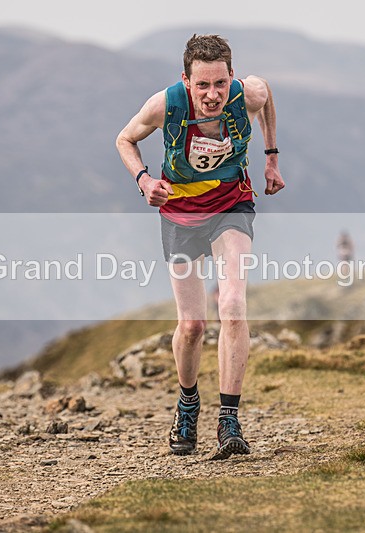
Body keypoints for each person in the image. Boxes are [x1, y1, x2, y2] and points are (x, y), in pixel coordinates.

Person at [116, 34, 285, 459]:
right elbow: (124, 140)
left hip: (232, 205)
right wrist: (144, 180)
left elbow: (265, 99)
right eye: (203, 85)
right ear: (187, 81)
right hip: (180, 215)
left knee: (231, 305)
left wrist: (271, 157)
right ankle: (188, 403)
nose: (213, 95)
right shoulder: (164, 105)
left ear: (231, 77)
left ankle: (229, 420)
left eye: (221, 84)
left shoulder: (249, 93)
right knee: (192, 326)